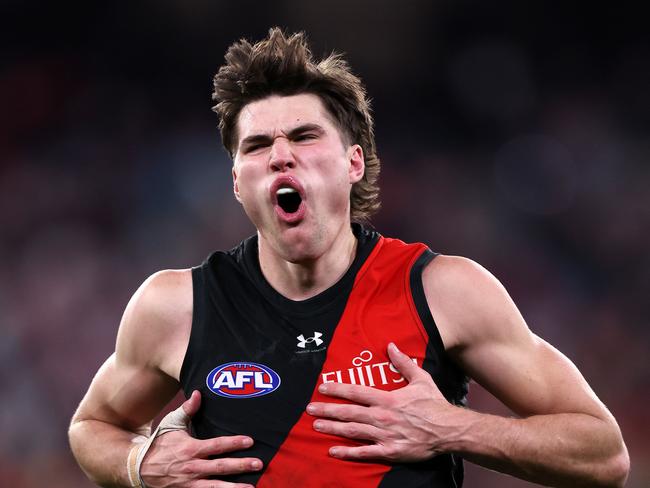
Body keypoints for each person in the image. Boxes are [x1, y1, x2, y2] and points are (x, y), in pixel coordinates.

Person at [69, 28, 629, 488]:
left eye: (304, 136)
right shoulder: (177, 306)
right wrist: (139, 465)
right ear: (238, 182)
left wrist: (454, 429)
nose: (281, 156)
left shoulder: (441, 290)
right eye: (257, 146)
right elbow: (92, 426)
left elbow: (603, 455)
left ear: (354, 163)